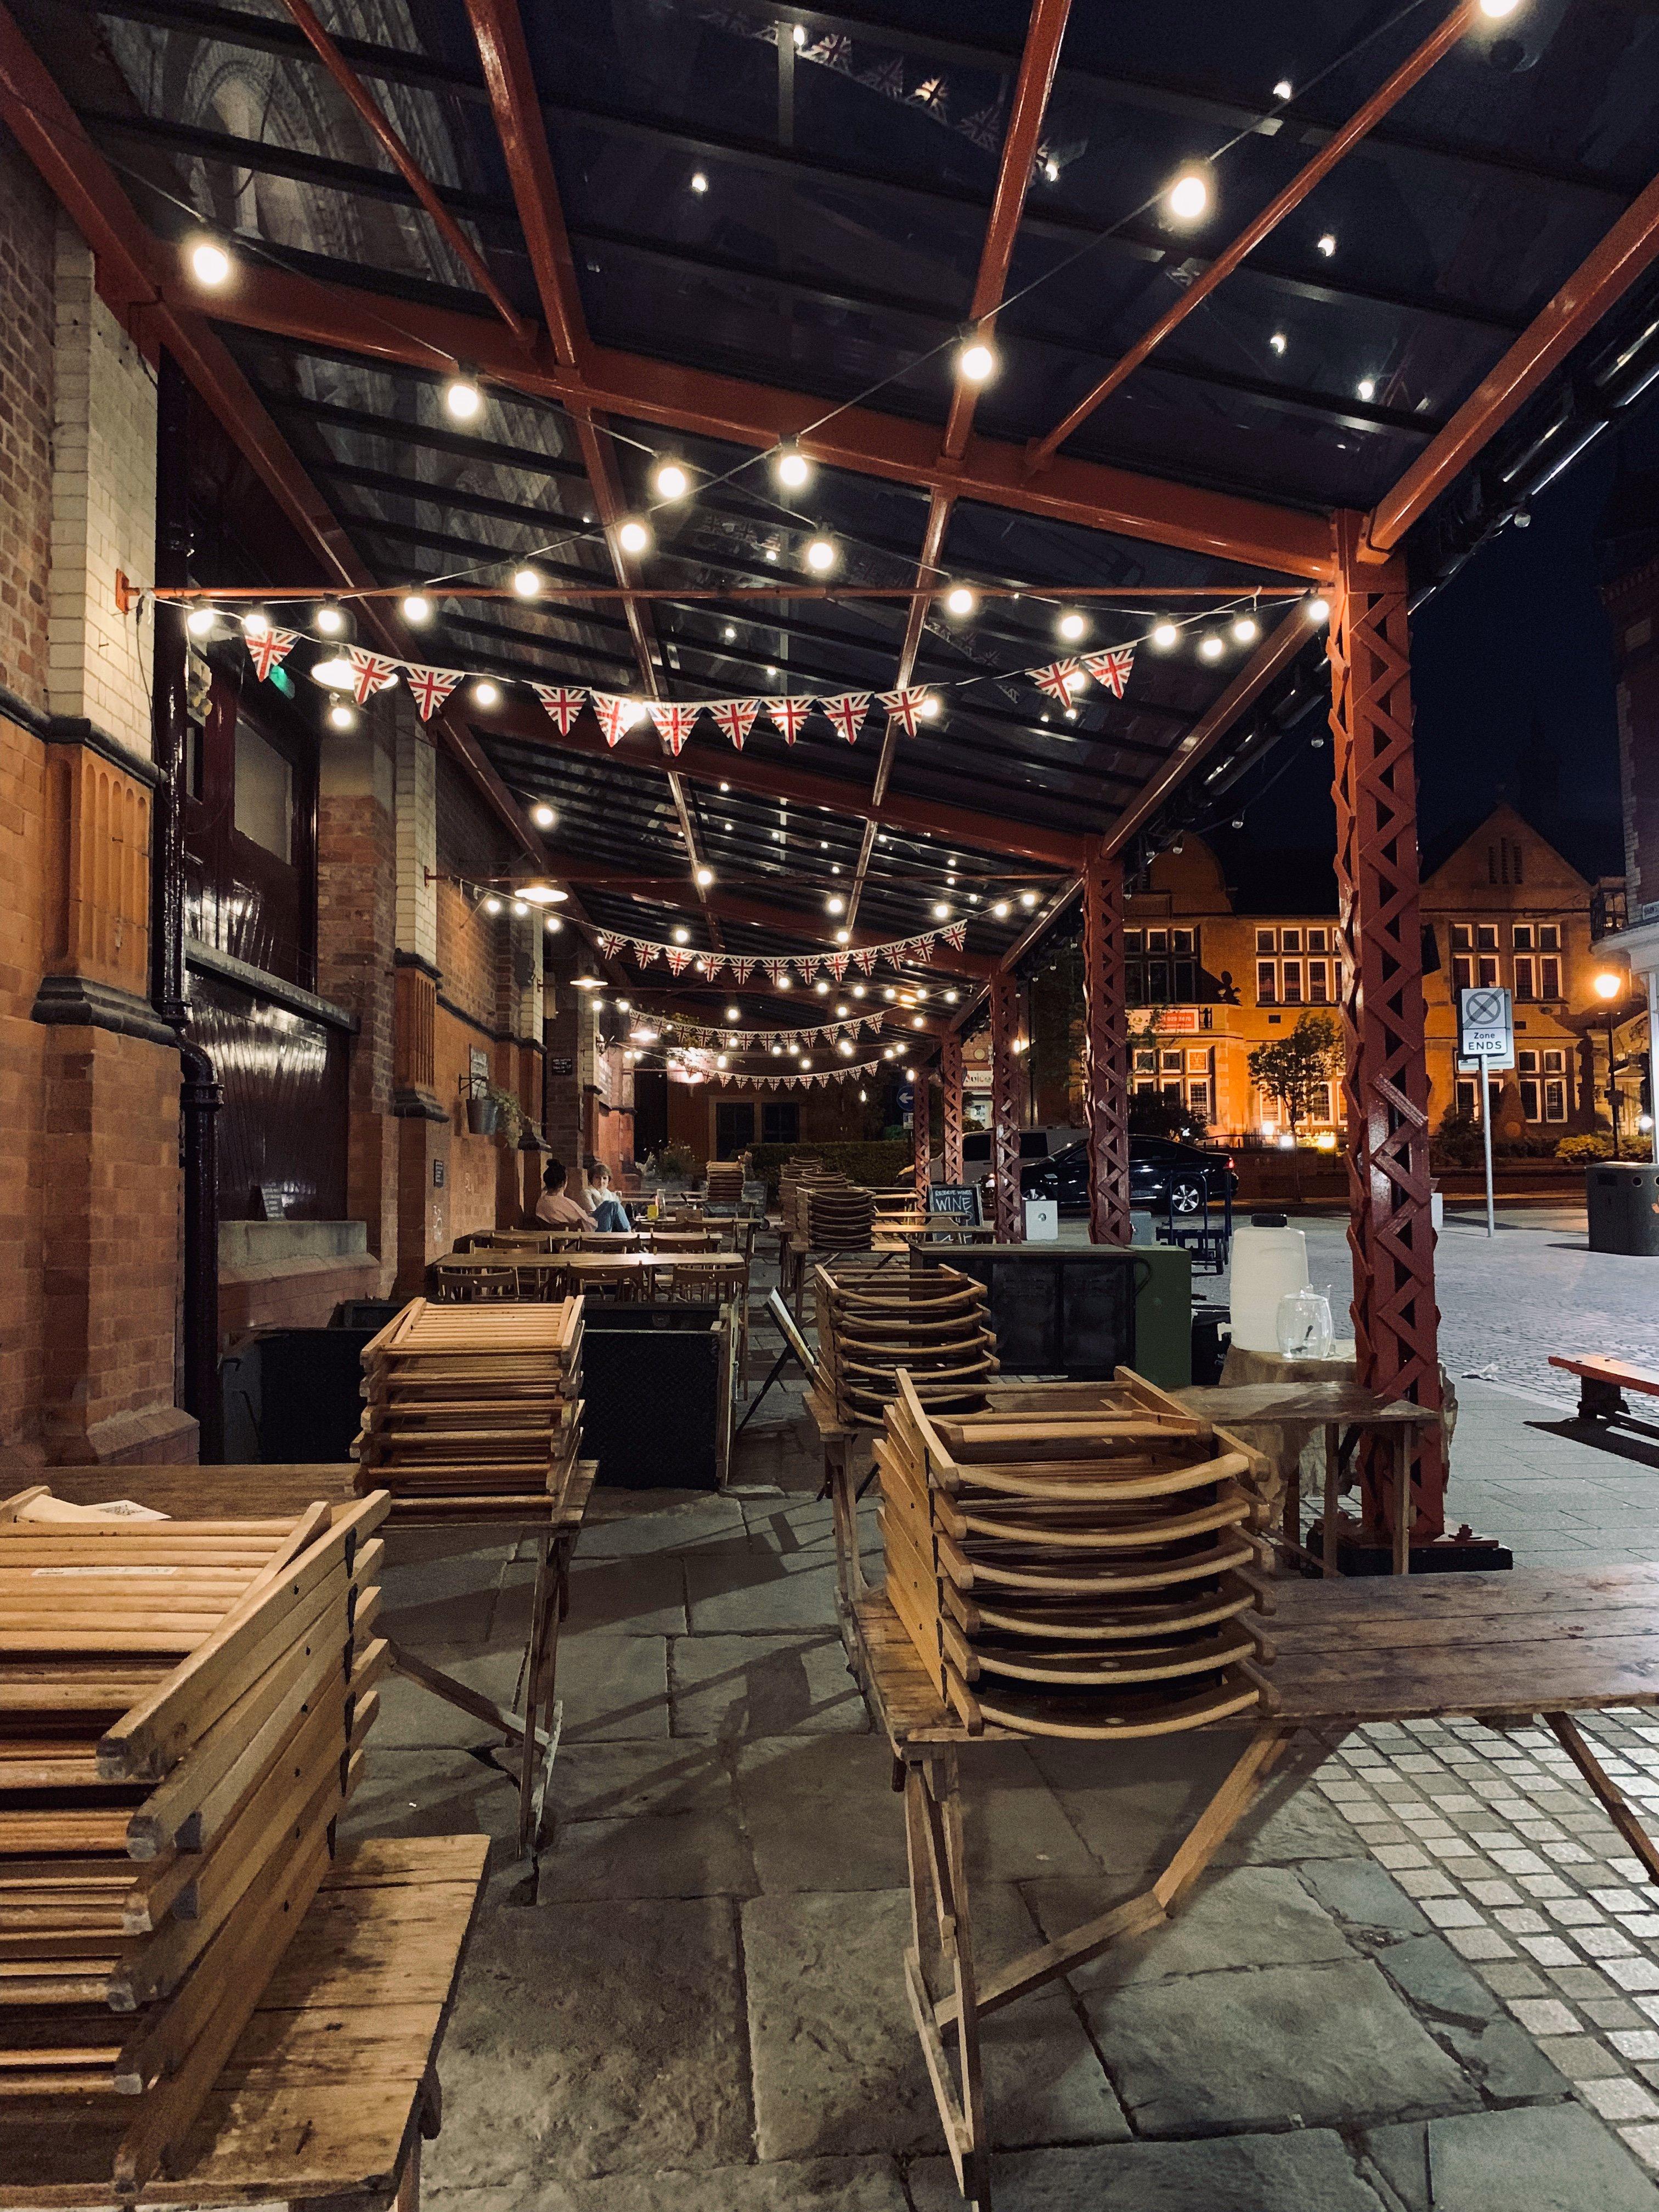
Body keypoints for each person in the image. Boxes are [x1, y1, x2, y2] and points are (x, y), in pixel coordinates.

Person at [535, 1159, 594, 1231]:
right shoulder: (563, 1203)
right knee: (610, 1206)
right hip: (587, 1233)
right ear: (564, 1183)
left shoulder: (541, 1202)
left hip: (559, 1235)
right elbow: (585, 1222)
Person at [585, 1160, 631, 1233]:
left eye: (604, 1178)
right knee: (613, 1204)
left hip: (612, 1228)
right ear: (591, 1179)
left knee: (615, 1205)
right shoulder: (587, 1193)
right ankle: (629, 1234)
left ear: (609, 1180)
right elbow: (593, 1216)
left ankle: (627, 1234)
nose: (601, 1181)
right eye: (597, 1178)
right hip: (594, 1227)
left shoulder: (610, 1194)